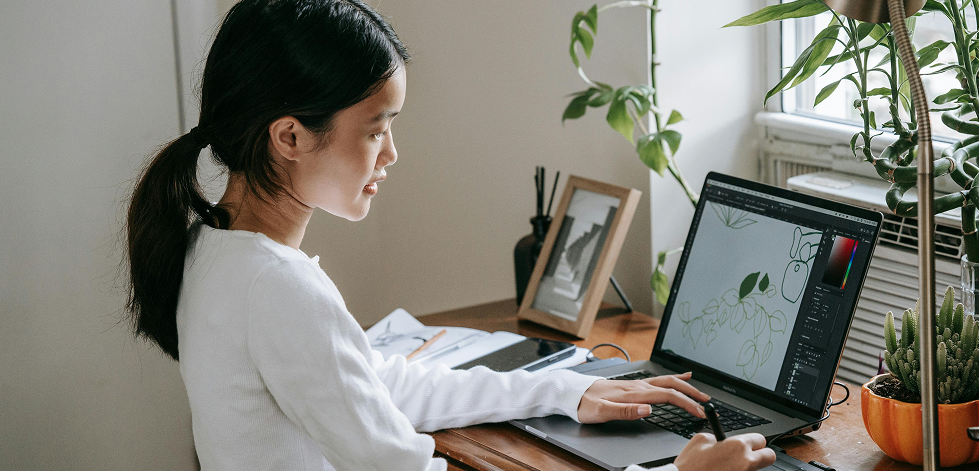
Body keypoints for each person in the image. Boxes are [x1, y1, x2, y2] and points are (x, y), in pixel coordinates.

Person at [124, 1, 778, 470]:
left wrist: (563, 388)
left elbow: (375, 386)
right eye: (376, 129)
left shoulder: (213, 247)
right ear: (290, 136)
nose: (391, 154)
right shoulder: (277, 287)